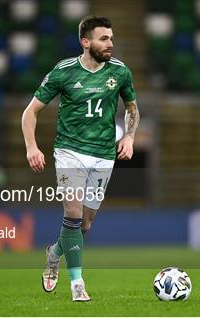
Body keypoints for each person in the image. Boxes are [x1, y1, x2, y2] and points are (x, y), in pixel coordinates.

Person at [21, 15, 140, 302]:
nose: (110, 43)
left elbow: (132, 108)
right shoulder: (63, 72)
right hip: (69, 152)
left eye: (111, 38)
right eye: (103, 38)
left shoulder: (120, 72)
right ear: (85, 42)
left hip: (103, 155)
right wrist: (31, 148)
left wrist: (130, 136)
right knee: (72, 215)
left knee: (85, 225)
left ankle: (54, 252)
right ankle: (77, 285)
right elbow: (29, 112)